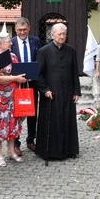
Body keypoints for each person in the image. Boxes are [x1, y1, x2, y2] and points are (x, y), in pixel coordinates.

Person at [36, 23, 81, 160]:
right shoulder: (44, 51)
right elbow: (38, 74)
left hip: (67, 93)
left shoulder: (71, 51)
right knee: (52, 122)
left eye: (64, 34)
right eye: (59, 34)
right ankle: (49, 151)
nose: (62, 36)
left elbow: (75, 72)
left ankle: (69, 150)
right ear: (52, 35)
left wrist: (76, 91)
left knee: (68, 120)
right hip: (51, 94)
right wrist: (45, 90)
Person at [0, 30, 27, 167]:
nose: (11, 42)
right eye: (8, 41)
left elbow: (17, 71)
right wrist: (15, 78)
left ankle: (11, 151)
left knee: (12, 124)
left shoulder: (13, 56)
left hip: (12, 97)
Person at [11, 17, 42, 155]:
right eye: (19, 30)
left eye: (24, 30)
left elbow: (39, 59)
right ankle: (16, 143)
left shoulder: (35, 41)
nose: (22, 32)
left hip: (32, 82)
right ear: (15, 30)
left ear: (28, 29)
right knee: (17, 113)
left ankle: (31, 140)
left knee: (32, 111)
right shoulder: (11, 43)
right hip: (16, 83)